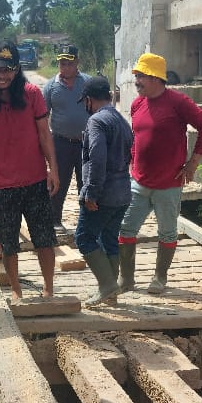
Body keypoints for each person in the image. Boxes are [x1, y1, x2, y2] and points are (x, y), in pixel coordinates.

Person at [118, 52, 202, 294]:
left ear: (155, 78)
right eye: (137, 76)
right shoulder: (137, 103)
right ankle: (126, 280)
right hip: (138, 181)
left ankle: (159, 278)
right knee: (126, 229)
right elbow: (137, 138)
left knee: (167, 232)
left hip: (169, 183)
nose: (136, 81)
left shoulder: (178, 102)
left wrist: (193, 163)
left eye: (141, 76)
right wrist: (130, 162)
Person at [0, 40, 59, 302]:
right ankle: (16, 290)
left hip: (35, 181)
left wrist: (53, 169)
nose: (3, 76)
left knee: (44, 239)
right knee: (8, 243)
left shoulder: (32, 94)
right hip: (3, 186)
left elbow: (45, 135)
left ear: (17, 69)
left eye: (8, 70)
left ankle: (48, 288)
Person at [75, 75, 133, 306]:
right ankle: (111, 296)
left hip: (104, 193)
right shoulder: (120, 119)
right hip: (123, 192)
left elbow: (97, 159)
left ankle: (107, 285)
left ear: (89, 100)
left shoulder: (97, 122)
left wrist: (91, 192)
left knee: (84, 238)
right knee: (109, 239)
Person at [42, 43, 89, 235]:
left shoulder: (87, 83)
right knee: (58, 182)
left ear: (77, 62)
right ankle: (54, 219)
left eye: (69, 63)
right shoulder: (51, 87)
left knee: (86, 182)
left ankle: (86, 220)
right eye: (62, 63)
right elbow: (42, 118)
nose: (65, 67)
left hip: (86, 143)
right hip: (61, 142)